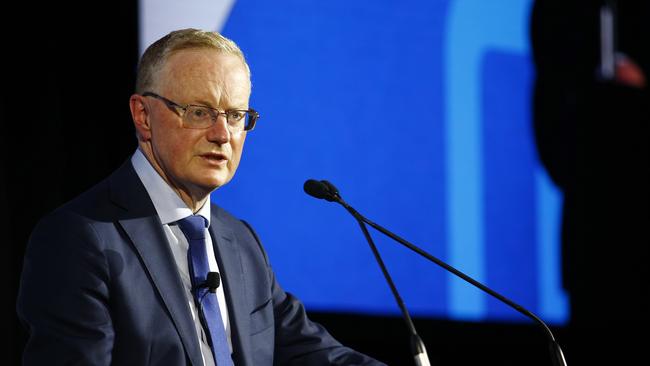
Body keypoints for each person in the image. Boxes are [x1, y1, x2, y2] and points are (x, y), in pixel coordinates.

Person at [16, 28, 386, 366]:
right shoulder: (79, 238)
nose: (222, 134)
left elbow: (309, 352)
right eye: (199, 112)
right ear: (143, 116)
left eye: (236, 115)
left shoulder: (240, 241)